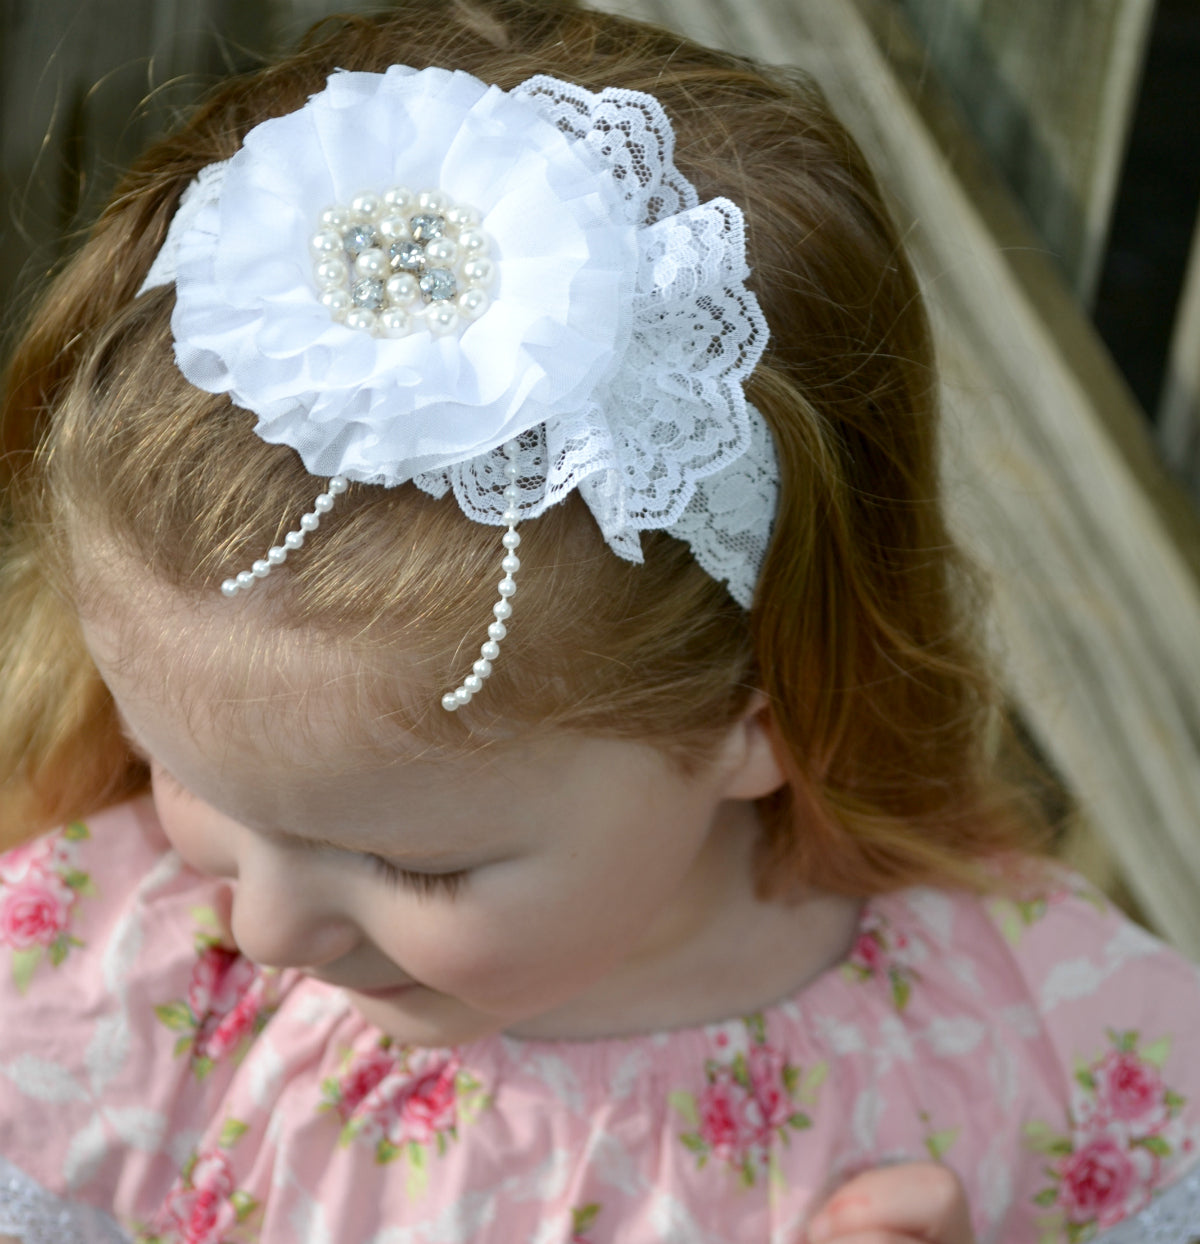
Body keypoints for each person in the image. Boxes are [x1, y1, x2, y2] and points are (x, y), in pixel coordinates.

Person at [0, 1, 1197, 1241]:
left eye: (418, 863)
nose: (261, 927)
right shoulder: (83, 998)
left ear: (765, 711)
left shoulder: (1048, 1060)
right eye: (184, 775)